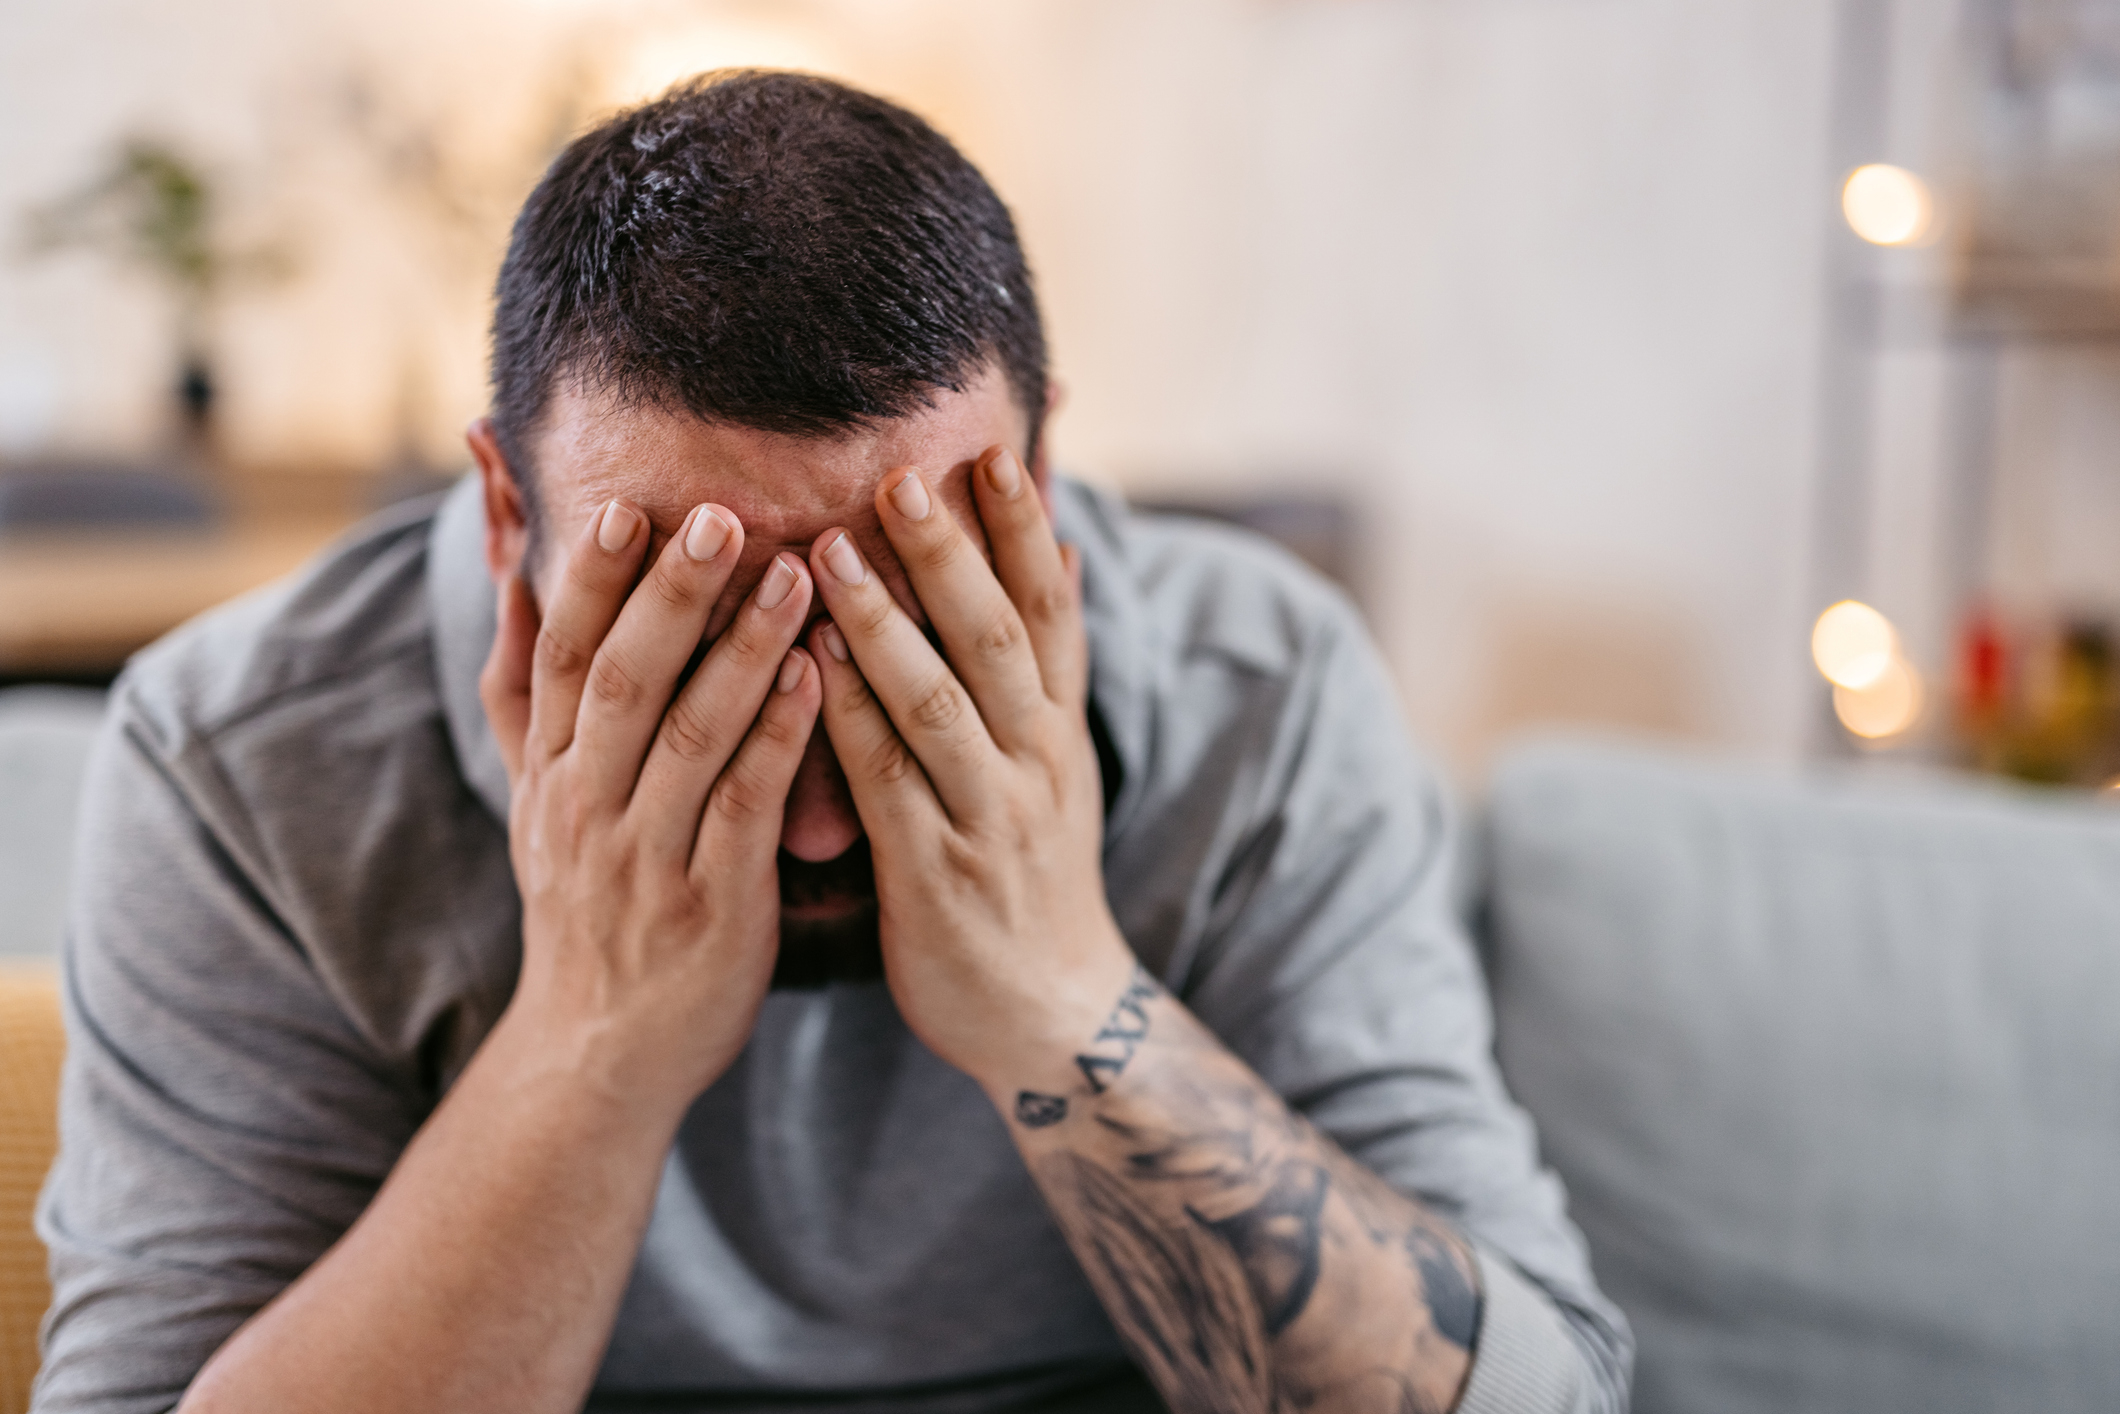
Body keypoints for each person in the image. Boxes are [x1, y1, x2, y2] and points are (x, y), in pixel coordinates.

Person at [34, 71, 1630, 1414]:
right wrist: (595, 1036)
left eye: (901, 629)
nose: (807, 830)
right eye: (692, 644)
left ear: (1044, 480)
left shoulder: (1259, 688)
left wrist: (1063, 996)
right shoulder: (237, 755)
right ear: (509, 514)